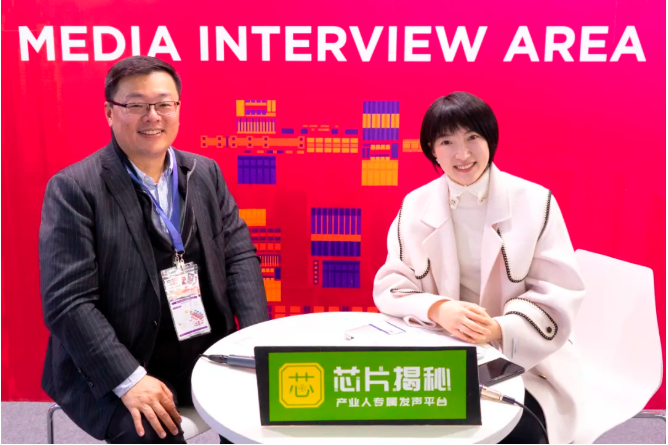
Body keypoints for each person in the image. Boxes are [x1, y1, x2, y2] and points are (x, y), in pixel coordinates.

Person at [39, 56, 269, 443]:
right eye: (136, 105)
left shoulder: (205, 173)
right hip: (119, 359)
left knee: (259, 413)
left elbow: (239, 258)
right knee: (154, 432)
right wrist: (129, 379)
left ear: (177, 108)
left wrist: (253, 344)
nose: (153, 116)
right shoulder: (75, 188)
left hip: (202, 348)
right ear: (110, 112)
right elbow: (68, 302)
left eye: (164, 103)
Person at [373, 92, 585, 444]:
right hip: (441, 349)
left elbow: (557, 291)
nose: (462, 154)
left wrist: (498, 328)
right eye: (447, 142)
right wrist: (439, 309)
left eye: (472, 137)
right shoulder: (415, 204)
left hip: (520, 354)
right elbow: (392, 285)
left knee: (518, 429)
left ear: (490, 139)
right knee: (407, 427)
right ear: (432, 149)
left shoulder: (536, 201)